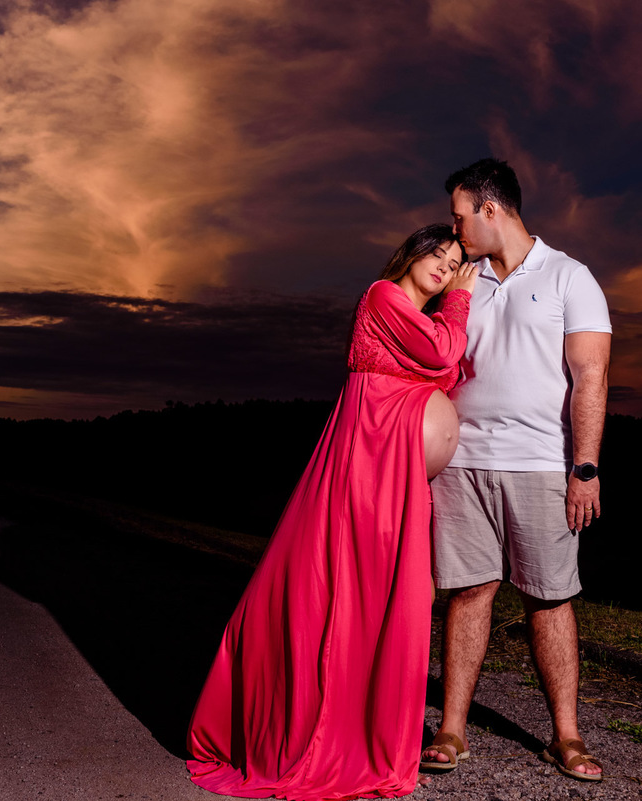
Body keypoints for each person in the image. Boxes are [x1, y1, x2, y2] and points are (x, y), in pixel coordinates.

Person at [187, 224, 480, 799]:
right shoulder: (383, 295)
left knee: (391, 599)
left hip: (398, 475)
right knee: (344, 592)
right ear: (411, 254)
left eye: (456, 261)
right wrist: (462, 300)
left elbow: (443, 370)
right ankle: (323, 735)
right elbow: (446, 353)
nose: (447, 266)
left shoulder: (418, 314)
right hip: (367, 463)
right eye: (439, 255)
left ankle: (362, 727)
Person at [421, 159, 612, 782]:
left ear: (490, 208)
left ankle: (567, 736)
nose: (454, 229)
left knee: (549, 598)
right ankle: (452, 728)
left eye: (459, 215)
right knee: (468, 591)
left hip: (541, 463)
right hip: (462, 462)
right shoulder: (460, 280)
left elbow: (591, 377)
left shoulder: (569, 277)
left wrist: (584, 467)